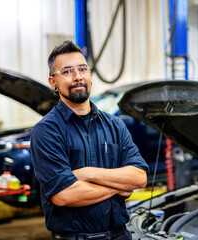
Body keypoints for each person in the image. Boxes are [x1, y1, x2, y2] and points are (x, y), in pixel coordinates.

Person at [30, 40, 149, 240]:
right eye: (67, 71)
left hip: (120, 235)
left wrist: (87, 173)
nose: (77, 77)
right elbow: (64, 195)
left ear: (90, 74)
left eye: (82, 69)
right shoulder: (47, 131)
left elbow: (139, 178)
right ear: (54, 83)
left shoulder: (115, 125)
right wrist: (120, 186)